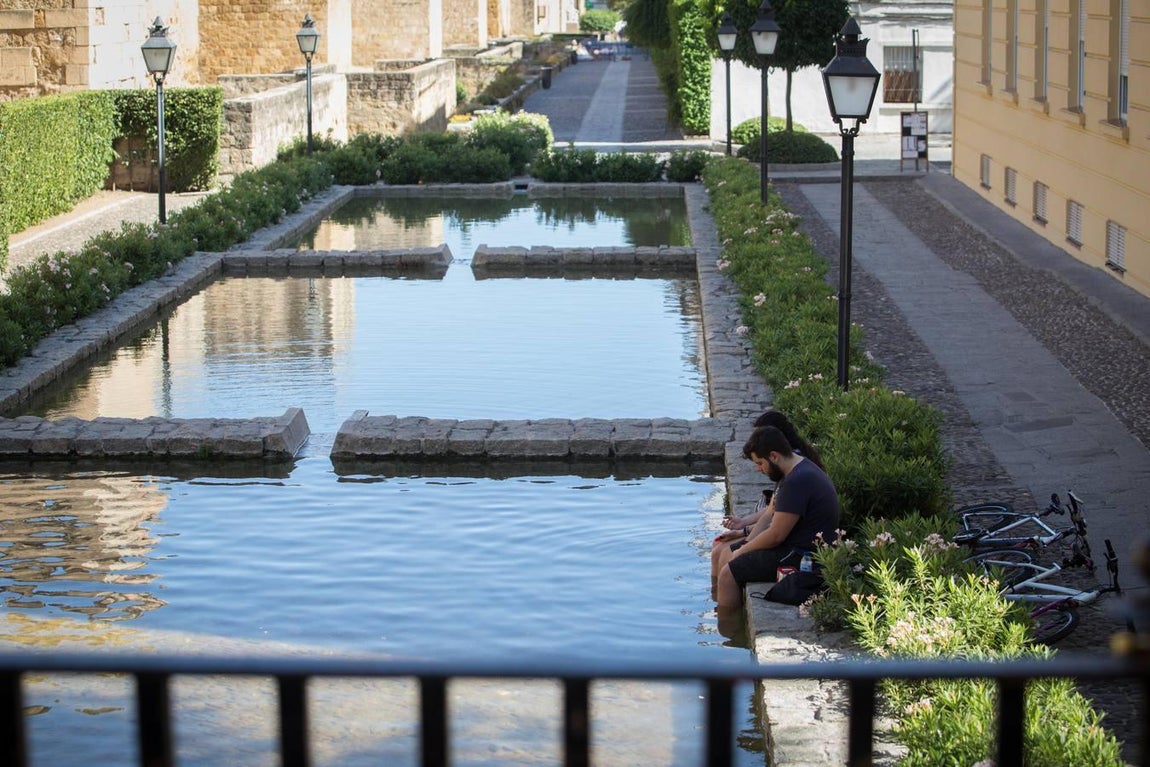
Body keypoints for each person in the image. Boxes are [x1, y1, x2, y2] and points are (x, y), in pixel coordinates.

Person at [714, 425, 840, 608]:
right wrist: (745, 542)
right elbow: (770, 514)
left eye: (760, 463)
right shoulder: (793, 469)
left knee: (728, 573)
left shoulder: (797, 481)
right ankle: (718, 603)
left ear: (774, 456)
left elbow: (775, 535)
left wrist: (741, 551)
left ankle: (728, 629)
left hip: (804, 555)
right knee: (725, 551)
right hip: (793, 546)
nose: (758, 469)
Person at [710, 410, 821, 575]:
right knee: (718, 548)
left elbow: (778, 527)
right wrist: (743, 526)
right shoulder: (792, 464)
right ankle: (714, 595)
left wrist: (744, 543)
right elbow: (774, 509)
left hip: (793, 544)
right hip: (777, 531)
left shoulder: (794, 474)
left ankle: (719, 595)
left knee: (724, 552)